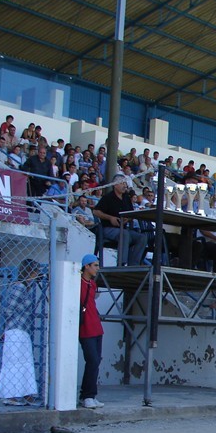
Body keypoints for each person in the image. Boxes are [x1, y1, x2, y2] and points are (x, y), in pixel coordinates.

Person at [0, 259, 42, 406]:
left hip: (21, 329)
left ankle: (24, 394)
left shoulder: (26, 288)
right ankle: (12, 395)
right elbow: (8, 310)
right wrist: (7, 327)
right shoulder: (19, 287)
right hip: (16, 329)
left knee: (23, 362)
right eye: (35, 271)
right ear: (30, 272)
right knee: (15, 363)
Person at [93, 174, 148, 266]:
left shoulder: (126, 198)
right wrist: (110, 218)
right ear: (115, 185)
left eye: (125, 183)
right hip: (108, 229)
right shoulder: (108, 197)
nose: (125, 185)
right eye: (122, 183)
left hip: (123, 228)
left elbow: (131, 213)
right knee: (124, 234)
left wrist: (128, 218)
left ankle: (133, 265)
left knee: (142, 237)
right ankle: (121, 264)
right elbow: (96, 212)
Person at [79, 254, 105, 409]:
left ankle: (89, 394)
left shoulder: (92, 284)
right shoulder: (78, 282)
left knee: (96, 362)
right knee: (92, 360)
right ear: (86, 266)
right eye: (95, 265)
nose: (97, 268)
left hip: (96, 326)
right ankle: (87, 395)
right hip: (85, 328)